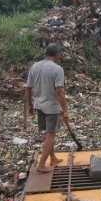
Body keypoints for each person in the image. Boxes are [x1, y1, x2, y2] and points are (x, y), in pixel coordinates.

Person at [25, 43, 69, 173]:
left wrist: (29, 104)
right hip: (51, 107)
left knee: (48, 133)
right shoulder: (57, 69)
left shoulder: (35, 66)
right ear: (57, 55)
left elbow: (27, 87)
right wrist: (65, 110)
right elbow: (59, 91)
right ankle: (42, 164)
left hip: (39, 105)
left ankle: (53, 158)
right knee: (50, 135)